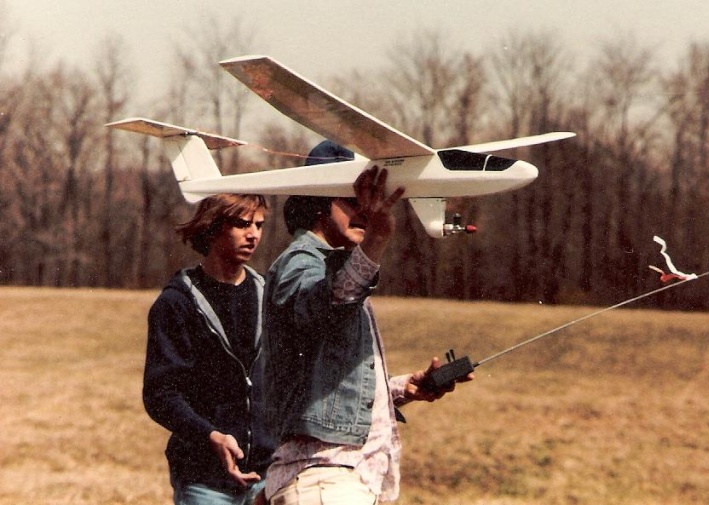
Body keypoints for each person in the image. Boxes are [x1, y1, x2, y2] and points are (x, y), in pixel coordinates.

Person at [260, 141, 471, 505]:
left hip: (344, 482)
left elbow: (327, 387)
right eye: (351, 199)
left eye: (370, 200)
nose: (364, 211)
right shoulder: (301, 262)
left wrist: (405, 389)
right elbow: (328, 302)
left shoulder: (333, 264)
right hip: (324, 481)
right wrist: (376, 240)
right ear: (318, 201)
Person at [143, 193, 275, 505]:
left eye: (259, 224)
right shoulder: (177, 302)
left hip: (269, 475)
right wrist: (209, 436)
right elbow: (160, 394)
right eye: (242, 224)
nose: (253, 233)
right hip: (205, 480)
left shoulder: (268, 295)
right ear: (213, 227)